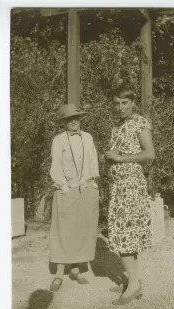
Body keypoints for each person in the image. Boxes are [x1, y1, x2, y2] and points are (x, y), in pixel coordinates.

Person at [105, 87, 156, 305]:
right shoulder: (117, 125)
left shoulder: (140, 122)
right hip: (119, 186)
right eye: (116, 103)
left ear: (132, 103)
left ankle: (133, 286)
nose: (120, 107)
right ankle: (133, 281)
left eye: (124, 103)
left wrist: (120, 158)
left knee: (124, 235)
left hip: (131, 187)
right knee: (128, 234)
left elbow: (149, 153)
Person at [49, 103, 100, 292]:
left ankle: (76, 270)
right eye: (69, 118)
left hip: (86, 189)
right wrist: (64, 187)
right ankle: (59, 274)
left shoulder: (88, 137)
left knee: (81, 229)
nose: (74, 121)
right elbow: (56, 166)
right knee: (63, 230)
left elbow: (93, 161)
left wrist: (94, 183)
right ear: (64, 121)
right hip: (66, 189)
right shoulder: (59, 140)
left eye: (76, 117)